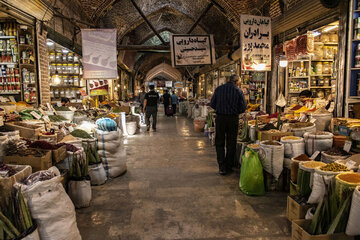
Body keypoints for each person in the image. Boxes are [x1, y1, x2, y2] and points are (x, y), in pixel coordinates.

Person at [210, 75, 246, 175]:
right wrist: (234, 111)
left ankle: (222, 167)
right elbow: (243, 108)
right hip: (233, 119)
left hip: (220, 118)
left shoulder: (219, 89)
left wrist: (220, 108)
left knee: (219, 142)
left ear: (228, 80)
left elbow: (212, 104)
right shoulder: (238, 91)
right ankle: (228, 166)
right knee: (231, 143)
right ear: (236, 81)